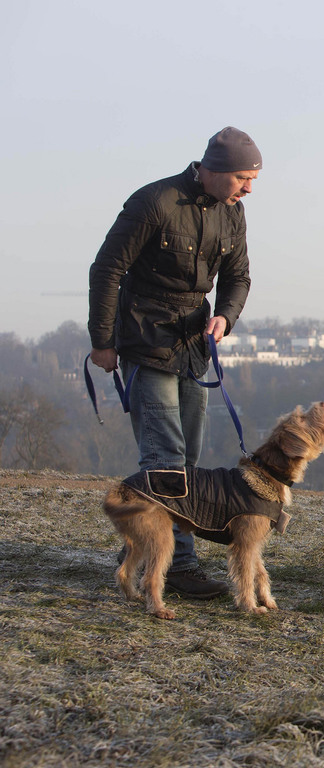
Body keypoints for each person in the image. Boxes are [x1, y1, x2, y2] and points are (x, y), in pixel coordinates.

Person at [87, 127, 260, 599]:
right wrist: (103, 341)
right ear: (215, 171)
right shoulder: (154, 201)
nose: (249, 188)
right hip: (144, 340)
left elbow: (239, 276)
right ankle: (177, 566)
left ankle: (143, 551)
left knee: (188, 459)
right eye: (243, 177)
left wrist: (225, 314)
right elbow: (107, 269)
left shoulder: (234, 213)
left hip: (193, 346)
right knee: (163, 459)